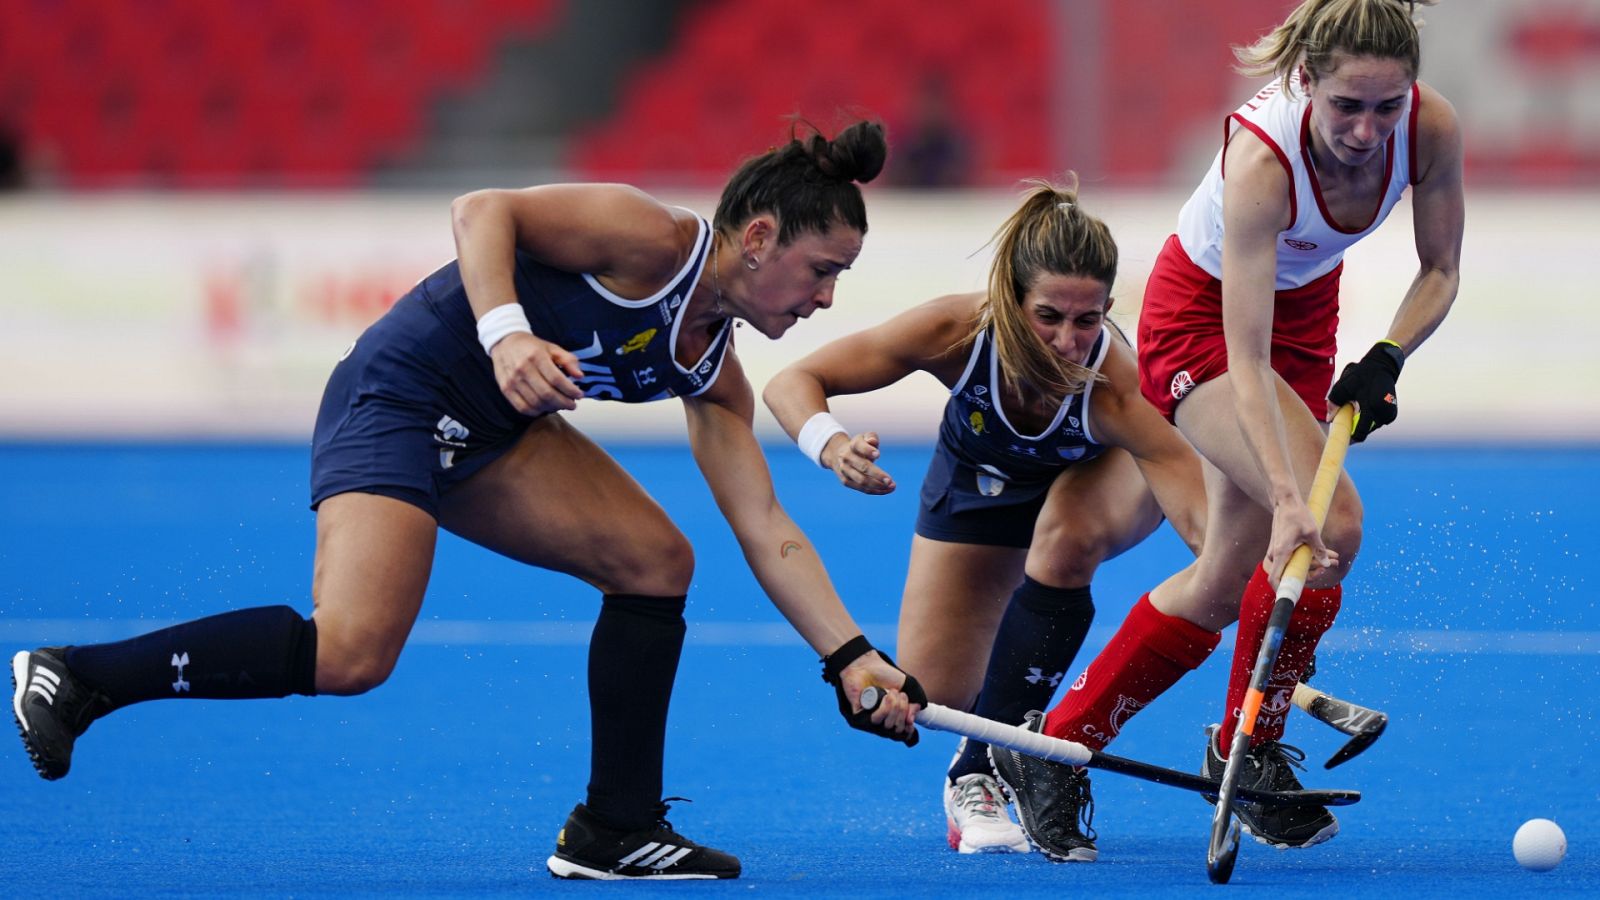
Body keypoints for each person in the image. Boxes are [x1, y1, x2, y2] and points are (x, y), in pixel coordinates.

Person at [9, 119, 927, 881]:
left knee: (658, 562)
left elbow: (765, 527)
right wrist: (505, 335)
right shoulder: (652, 240)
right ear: (759, 237)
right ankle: (80, 675)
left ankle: (615, 827)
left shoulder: (712, 370)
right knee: (355, 651)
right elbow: (482, 210)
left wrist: (850, 656)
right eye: (820, 269)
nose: (827, 297)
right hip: (402, 393)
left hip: (493, 438)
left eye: (839, 276)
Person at [1009, 0, 1464, 854]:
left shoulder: (1430, 126)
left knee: (1224, 581)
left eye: (1387, 106)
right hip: (1204, 323)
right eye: (1346, 107)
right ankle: (1247, 750)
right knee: (1328, 525)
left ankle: (1056, 747)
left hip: (1306, 313)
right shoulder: (1262, 159)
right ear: (1306, 82)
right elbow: (1244, 362)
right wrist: (1288, 497)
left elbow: (1440, 267)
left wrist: (1389, 355)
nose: (1368, 130)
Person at [764, 180, 1211, 861]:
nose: (1067, 342)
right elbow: (791, 381)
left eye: (1087, 320)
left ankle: (984, 766)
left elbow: (1203, 529)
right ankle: (990, 745)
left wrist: (1248, 598)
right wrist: (830, 444)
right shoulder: (955, 332)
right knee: (929, 692)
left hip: (1101, 479)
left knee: (1066, 539)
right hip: (980, 481)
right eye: (1048, 316)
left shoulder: (1120, 389)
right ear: (1010, 298)